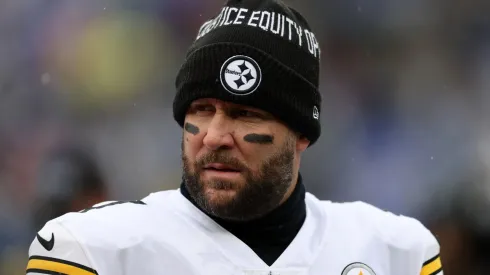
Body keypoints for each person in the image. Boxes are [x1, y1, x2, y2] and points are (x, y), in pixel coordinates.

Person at [26, 1, 443, 274]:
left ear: (302, 134)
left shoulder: (395, 253)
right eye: (201, 109)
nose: (215, 136)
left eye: (245, 114)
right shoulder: (94, 249)